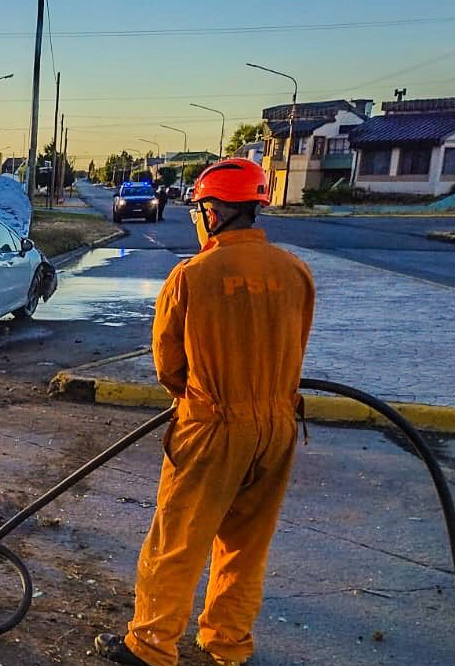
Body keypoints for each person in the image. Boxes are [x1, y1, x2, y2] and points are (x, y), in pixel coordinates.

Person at [95, 159, 315, 666]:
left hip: (212, 425)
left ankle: (151, 645)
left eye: (199, 210)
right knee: (246, 543)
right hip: (278, 427)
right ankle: (227, 643)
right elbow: (296, 346)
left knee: (177, 540)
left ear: (214, 213)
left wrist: (199, 400)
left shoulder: (193, 275)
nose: (198, 219)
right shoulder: (295, 272)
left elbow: (168, 365)